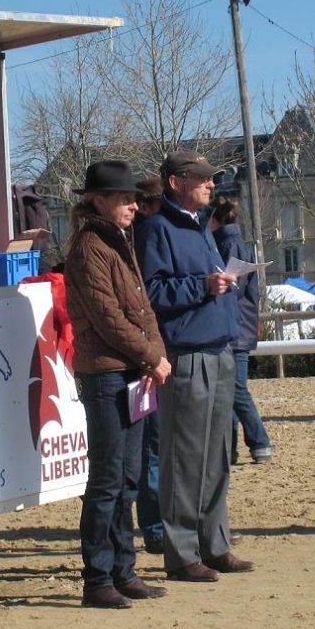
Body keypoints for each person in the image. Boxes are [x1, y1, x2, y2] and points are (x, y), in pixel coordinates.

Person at [136, 150, 255, 582]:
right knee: (184, 458)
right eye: (201, 178)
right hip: (186, 354)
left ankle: (214, 543)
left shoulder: (201, 226)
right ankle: (182, 553)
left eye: (211, 178)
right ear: (175, 182)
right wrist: (203, 285)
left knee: (217, 455)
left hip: (220, 350)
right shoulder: (156, 229)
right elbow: (151, 293)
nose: (210, 184)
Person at [64, 160, 173, 609]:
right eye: (125, 199)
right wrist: (153, 355)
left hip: (129, 372)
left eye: (133, 199)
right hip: (106, 373)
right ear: (100, 200)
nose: (133, 205)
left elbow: (142, 309)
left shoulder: (115, 242)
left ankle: (123, 570)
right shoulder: (90, 248)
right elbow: (109, 319)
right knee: (107, 479)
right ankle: (97, 578)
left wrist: (155, 353)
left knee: (126, 477)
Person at [210, 196, 272, 464]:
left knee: (236, 390)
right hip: (240, 327)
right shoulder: (233, 241)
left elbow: (233, 290)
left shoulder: (227, 244)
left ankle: (260, 442)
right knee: (231, 391)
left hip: (235, 329)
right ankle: (231, 449)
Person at [132, 176, 166, 556]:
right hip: (147, 358)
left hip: (159, 354)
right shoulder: (142, 241)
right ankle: (154, 526)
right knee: (151, 449)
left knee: (156, 448)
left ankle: (161, 523)